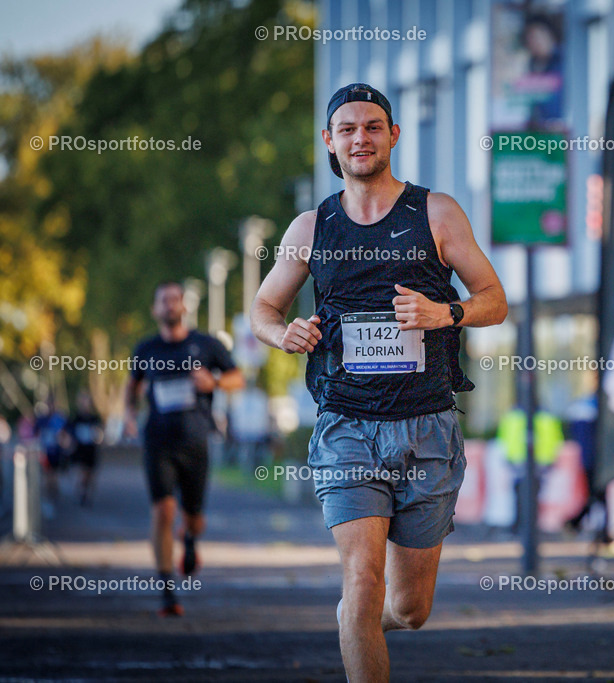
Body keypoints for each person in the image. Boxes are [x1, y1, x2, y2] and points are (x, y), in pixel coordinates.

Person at [250, 83, 506, 682]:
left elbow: (494, 300)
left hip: (427, 428)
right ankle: (357, 611)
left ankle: (356, 619)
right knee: (362, 578)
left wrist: (445, 312)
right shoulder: (311, 227)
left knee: (410, 609)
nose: (359, 138)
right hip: (346, 425)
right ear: (329, 141)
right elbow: (263, 309)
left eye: (371, 127)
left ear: (393, 135)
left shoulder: (436, 213)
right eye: (347, 129)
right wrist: (283, 334)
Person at [125, 281, 245, 616]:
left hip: (195, 441)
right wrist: (129, 415)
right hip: (158, 441)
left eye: (175, 299)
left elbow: (237, 379)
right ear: (155, 309)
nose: (170, 305)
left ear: (184, 306)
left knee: (194, 518)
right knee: (162, 511)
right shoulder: (146, 348)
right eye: (163, 300)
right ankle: (166, 589)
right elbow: (132, 386)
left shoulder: (205, 345)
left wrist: (214, 381)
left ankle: (190, 539)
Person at [66, 390, 103, 507]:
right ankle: (81, 493)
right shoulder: (75, 418)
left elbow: (100, 434)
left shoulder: (94, 418)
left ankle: (87, 494)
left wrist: (98, 436)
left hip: (90, 450)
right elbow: (69, 434)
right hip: (79, 450)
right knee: (81, 473)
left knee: (90, 475)